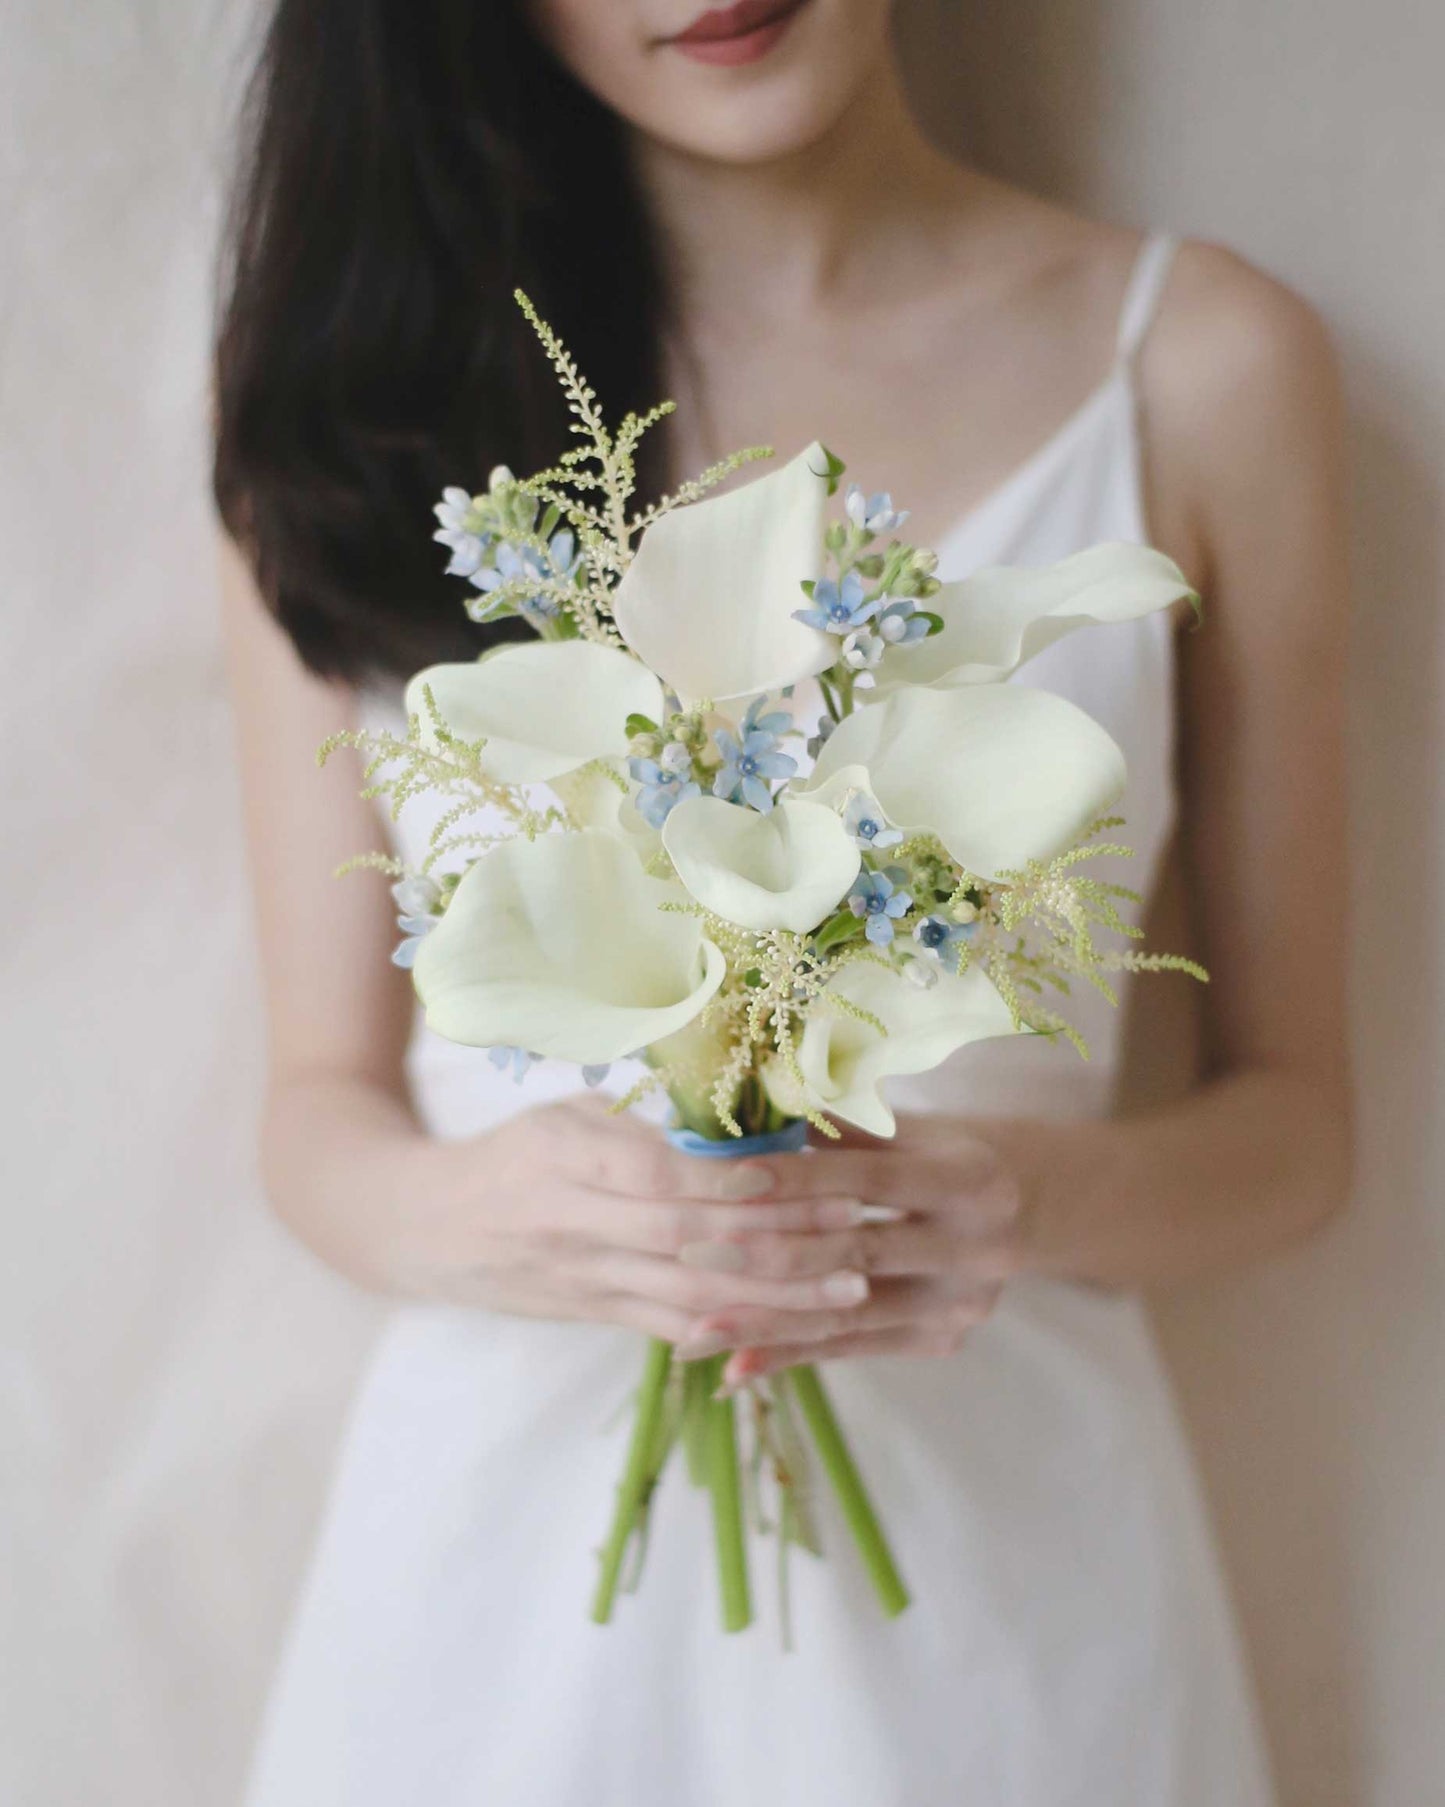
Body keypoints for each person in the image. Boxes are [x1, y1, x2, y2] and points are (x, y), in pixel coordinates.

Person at [216, 2, 1351, 1801]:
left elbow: (1299, 1133)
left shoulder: (1202, 367)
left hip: (1010, 1603)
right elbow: (312, 1105)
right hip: (494, 1604)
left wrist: (998, 1202)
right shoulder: (368, 397)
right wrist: (473, 1218)